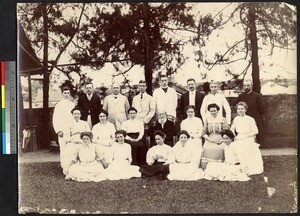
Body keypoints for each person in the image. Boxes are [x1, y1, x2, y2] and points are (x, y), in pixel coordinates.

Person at [230, 101, 264, 175]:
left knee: (245, 148)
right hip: (239, 137)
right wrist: (234, 136)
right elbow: (232, 128)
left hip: (248, 137)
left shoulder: (250, 119)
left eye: (242, 109)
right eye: (238, 109)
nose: (240, 110)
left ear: (245, 110)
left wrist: (245, 136)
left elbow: (256, 131)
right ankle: (239, 167)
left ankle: (247, 168)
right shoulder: (236, 119)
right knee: (234, 147)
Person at [52, 84, 75, 174]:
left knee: (71, 148)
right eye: (65, 93)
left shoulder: (71, 104)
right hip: (62, 130)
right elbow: (55, 119)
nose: (66, 94)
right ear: (62, 93)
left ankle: (71, 167)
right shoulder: (59, 105)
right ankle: (64, 167)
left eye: (68, 93)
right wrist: (58, 130)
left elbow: (74, 117)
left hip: (71, 130)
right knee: (63, 149)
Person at [63, 107, 91, 175]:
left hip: (83, 141)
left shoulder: (84, 123)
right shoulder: (68, 123)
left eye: (78, 114)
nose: (76, 115)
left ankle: (84, 170)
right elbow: (66, 135)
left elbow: (89, 134)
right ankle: (70, 170)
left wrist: (84, 140)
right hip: (73, 142)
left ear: (80, 115)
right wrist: (71, 140)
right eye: (75, 113)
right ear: (72, 114)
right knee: (71, 152)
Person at [201, 103, 229, 170]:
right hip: (210, 138)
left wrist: (222, 140)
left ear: (218, 111)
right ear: (209, 111)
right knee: (206, 148)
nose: (213, 112)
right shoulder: (207, 120)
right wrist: (209, 139)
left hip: (221, 138)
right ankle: (207, 168)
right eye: (211, 111)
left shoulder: (223, 119)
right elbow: (203, 133)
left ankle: (220, 167)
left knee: (221, 148)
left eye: (214, 111)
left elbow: (226, 132)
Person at [236, 79, 265, 144]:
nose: (246, 87)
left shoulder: (257, 96)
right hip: (243, 118)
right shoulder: (241, 96)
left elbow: (262, 109)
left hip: (255, 118)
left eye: (248, 85)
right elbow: (238, 107)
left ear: (251, 86)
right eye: (245, 85)